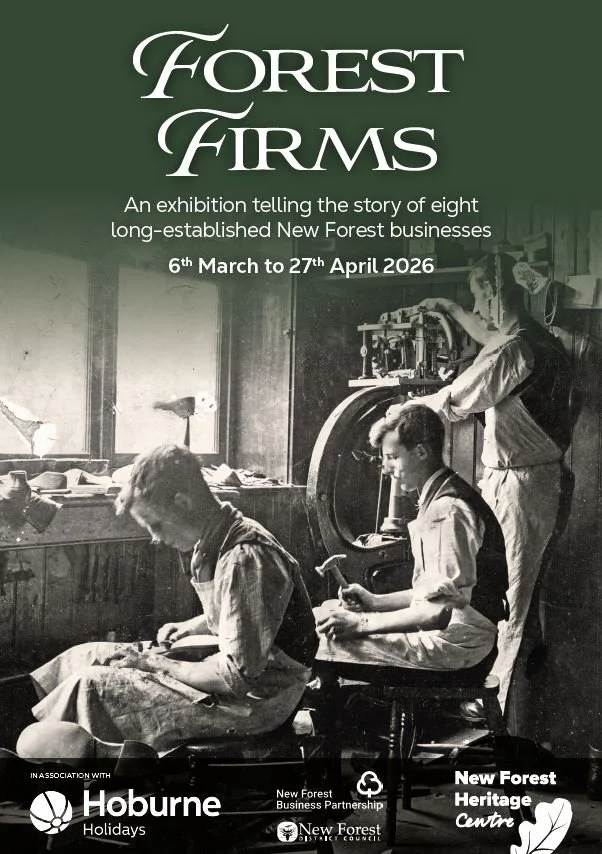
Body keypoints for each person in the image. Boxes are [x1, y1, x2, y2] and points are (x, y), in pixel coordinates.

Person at [21, 445, 317, 756]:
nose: (156, 537)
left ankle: (60, 765)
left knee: (92, 684)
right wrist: (192, 626)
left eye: (156, 524)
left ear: (183, 502)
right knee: (86, 655)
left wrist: (156, 664)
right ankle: (38, 747)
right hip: (243, 675)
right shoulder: (219, 538)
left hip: (261, 700)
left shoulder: (245, 556)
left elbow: (235, 678)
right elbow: (244, 612)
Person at [396, 252, 572, 732]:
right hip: (519, 480)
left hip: (522, 487)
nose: (477, 308)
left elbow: (457, 399)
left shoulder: (514, 351)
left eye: (478, 297)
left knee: (512, 598)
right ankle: (493, 703)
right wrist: (451, 309)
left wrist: (404, 412)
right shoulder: (533, 338)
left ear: (494, 293)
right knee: (497, 591)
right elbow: (487, 334)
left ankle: (501, 717)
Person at [315, 406, 508, 678]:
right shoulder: (439, 498)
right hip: (451, 635)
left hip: (458, 647)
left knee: (317, 640)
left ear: (420, 452)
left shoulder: (448, 510)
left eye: (393, 457)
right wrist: (374, 602)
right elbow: (432, 594)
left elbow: (438, 612)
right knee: (322, 617)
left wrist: (360, 622)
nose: (386, 469)